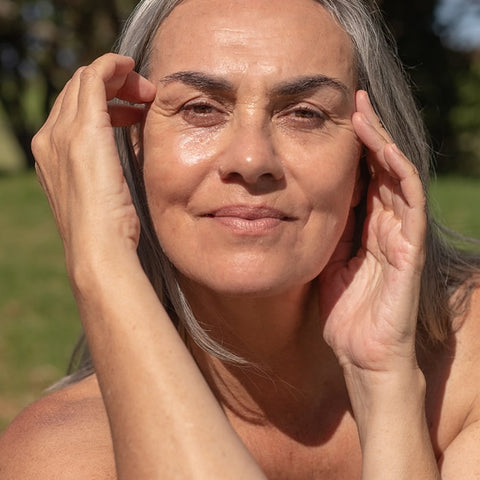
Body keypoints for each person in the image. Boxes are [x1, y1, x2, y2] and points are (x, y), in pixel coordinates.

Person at [1, 0, 480, 478]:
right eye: (201, 108)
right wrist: (101, 263)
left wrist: (384, 384)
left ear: (365, 160)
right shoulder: (58, 457)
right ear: (131, 146)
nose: (251, 160)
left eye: (305, 114)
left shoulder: (469, 365)